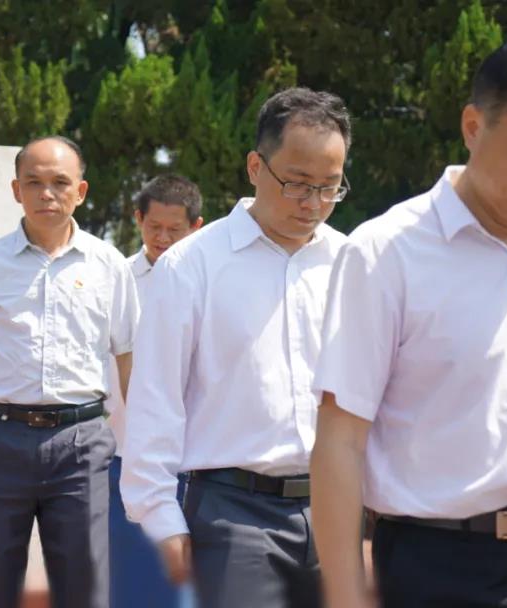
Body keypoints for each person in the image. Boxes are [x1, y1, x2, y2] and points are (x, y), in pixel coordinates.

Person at [312, 25, 507, 608]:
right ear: (474, 127)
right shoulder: (387, 253)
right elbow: (340, 441)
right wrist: (346, 595)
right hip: (441, 567)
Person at [122, 87, 352, 608]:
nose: (312, 203)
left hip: (335, 509)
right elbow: (156, 398)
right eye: (297, 183)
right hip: (234, 514)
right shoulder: (192, 266)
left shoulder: (350, 262)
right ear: (255, 166)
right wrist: (159, 512)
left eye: (329, 187)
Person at [0, 135, 140, 608]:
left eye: (60, 183)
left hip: (83, 444)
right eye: (34, 183)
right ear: (16, 190)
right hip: (1, 441)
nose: (47, 194)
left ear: (81, 191)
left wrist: (147, 445)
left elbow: (129, 358)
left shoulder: (109, 265)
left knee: (85, 589)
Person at [106, 174, 203, 608]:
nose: (162, 238)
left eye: (174, 230)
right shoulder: (117, 280)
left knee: (190, 587)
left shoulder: (209, 281)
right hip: (125, 459)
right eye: (154, 227)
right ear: (137, 219)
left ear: (196, 227)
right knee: (130, 583)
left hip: (197, 464)